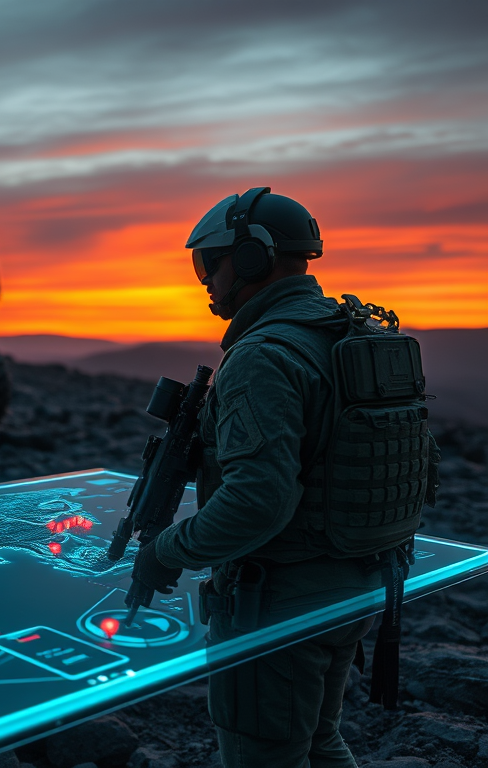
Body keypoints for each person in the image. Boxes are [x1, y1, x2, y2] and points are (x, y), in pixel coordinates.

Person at [129, 188, 435, 768]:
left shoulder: (262, 355)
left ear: (250, 259)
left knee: (264, 755)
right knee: (319, 742)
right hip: (357, 581)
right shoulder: (351, 331)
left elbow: (257, 502)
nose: (205, 280)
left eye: (209, 262)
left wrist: (167, 552)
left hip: (281, 599)